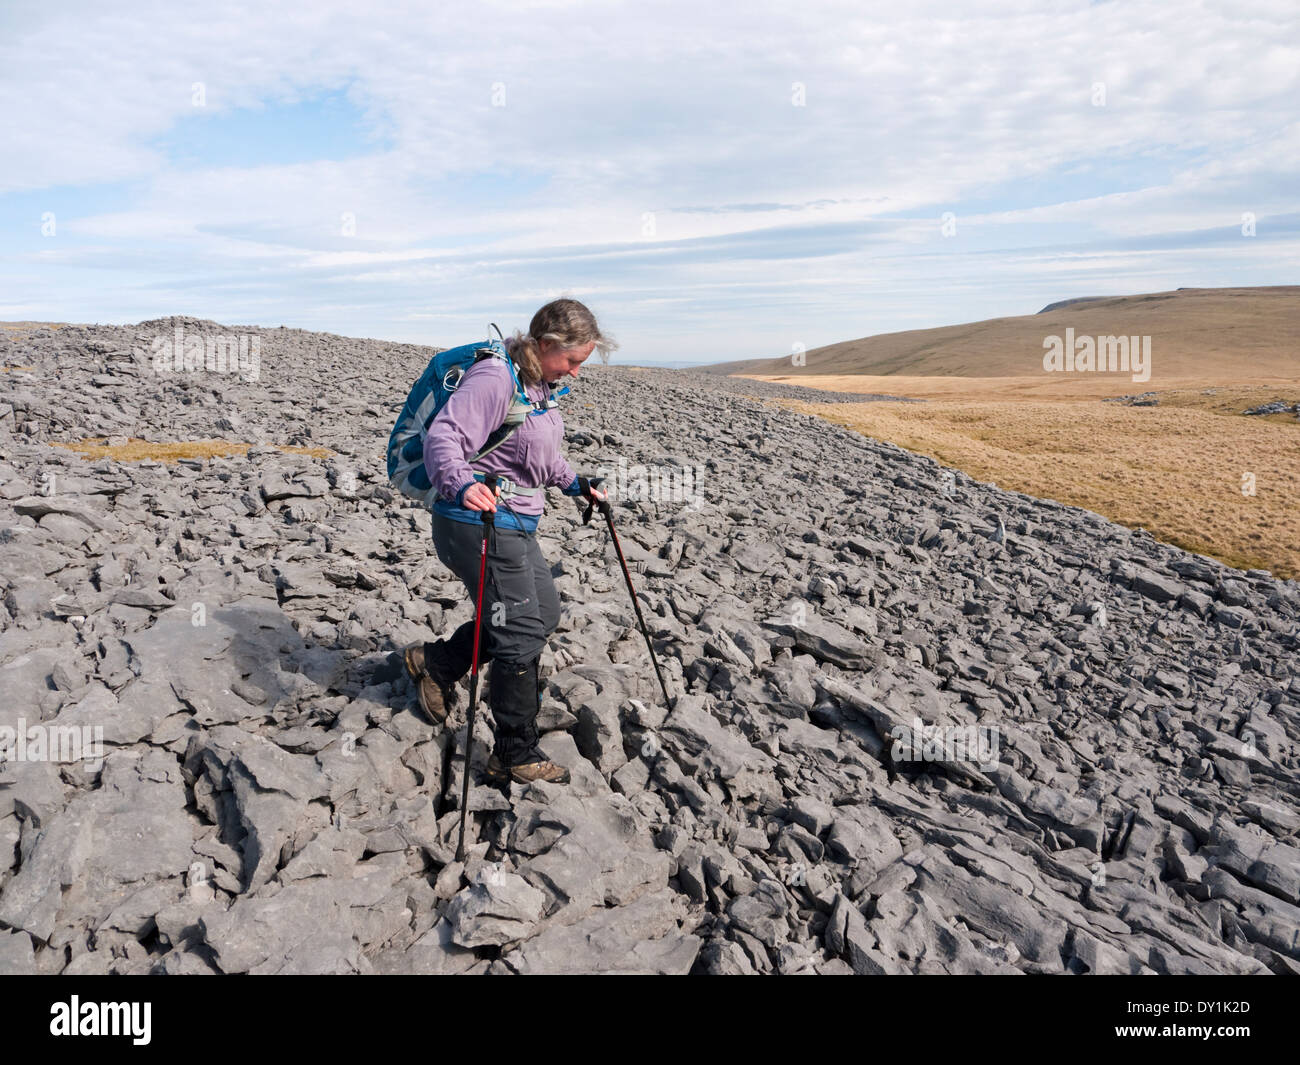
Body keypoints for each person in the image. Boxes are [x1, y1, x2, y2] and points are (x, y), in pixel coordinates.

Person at [403, 299, 617, 785]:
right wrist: (460, 482)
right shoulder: (496, 378)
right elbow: (445, 438)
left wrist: (575, 483)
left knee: (541, 614)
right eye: (574, 361)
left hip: (515, 522)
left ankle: (436, 663)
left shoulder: (538, 384)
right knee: (520, 630)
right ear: (546, 344)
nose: (577, 373)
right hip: (475, 521)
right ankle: (513, 752)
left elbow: (535, 453)